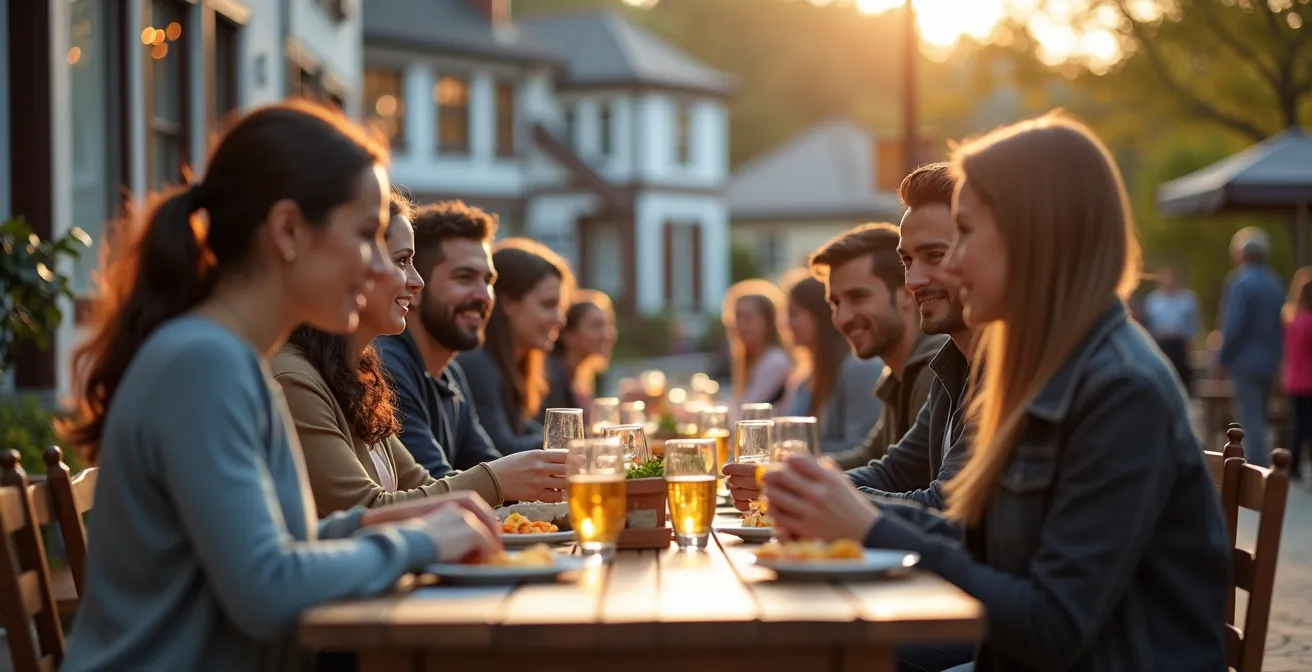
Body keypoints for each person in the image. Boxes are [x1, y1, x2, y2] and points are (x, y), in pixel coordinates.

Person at [765, 113, 1229, 671]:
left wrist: (868, 524)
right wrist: (841, 507)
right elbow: (974, 536)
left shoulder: (1118, 390)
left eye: (965, 234)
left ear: (1035, 235)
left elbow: (1054, 626)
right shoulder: (1046, 370)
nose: (951, 264)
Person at [57, 102, 502, 671]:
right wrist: (420, 540)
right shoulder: (204, 363)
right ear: (288, 231)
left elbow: (284, 541)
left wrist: (388, 520)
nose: (378, 270)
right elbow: (267, 589)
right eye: (366, 235)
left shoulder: (233, 357)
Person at [273, 189, 566, 515]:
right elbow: (367, 511)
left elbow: (422, 486)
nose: (416, 281)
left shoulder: (355, 375)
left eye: (488, 280)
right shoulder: (295, 379)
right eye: (402, 261)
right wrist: (498, 479)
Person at [726, 165, 972, 521]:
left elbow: (942, 510)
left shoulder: (947, 368)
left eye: (935, 255)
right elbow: (889, 470)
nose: (915, 280)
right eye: (907, 261)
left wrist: (800, 489)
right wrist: (784, 481)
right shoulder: (951, 366)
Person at [378, 201, 506, 476]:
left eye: (488, 281)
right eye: (464, 278)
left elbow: (489, 467)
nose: (484, 296)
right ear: (416, 286)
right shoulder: (387, 367)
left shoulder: (451, 374)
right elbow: (435, 485)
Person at [457, 238, 574, 454]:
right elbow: (502, 449)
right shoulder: (477, 364)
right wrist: (577, 442)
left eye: (560, 307)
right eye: (548, 305)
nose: (560, 319)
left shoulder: (513, 364)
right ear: (508, 302)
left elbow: (523, 431)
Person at [781, 270, 884, 455]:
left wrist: (799, 454)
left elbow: (861, 450)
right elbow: (786, 436)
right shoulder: (805, 376)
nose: (786, 324)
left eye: (794, 314)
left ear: (820, 316)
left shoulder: (859, 368)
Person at [1218, 226, 1285, 466]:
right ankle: (1262, 464)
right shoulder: (1275, 282)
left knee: (1250, 417)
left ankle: (1257, 470)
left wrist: (1222, 358)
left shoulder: (1239, 282)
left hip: (1245, 361)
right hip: (1270, 361)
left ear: (1241, 254)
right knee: (1261, 416)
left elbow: (1234, 326)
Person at [543, 289, 617, 422]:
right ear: (568, 335)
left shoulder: (581, 374)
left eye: (606, 325)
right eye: (597, 326)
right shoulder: (552, 377)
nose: (607, 334)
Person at [722, 279, 793, 415]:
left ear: (768, 322)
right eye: (737, 317)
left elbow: (745, 412)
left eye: (748, 317)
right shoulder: (751, 358)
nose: (740, 325)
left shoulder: (775, 361)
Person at [1143, 266, 1199, 395]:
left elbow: (1193, 324)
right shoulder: (1153, 301)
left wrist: (1191, 345)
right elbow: (1149, 324)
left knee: (1182, 378)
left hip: (1179, 343)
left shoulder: (1187, 299)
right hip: (1161, 343)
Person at [1284, 273, 1312, 481]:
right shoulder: (1309, 322)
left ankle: (1294, 465)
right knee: (1305, 425)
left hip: (1294, 379)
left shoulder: (1292, 320)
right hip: (1308, 379)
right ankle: (1296, 463)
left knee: (1299, 424)